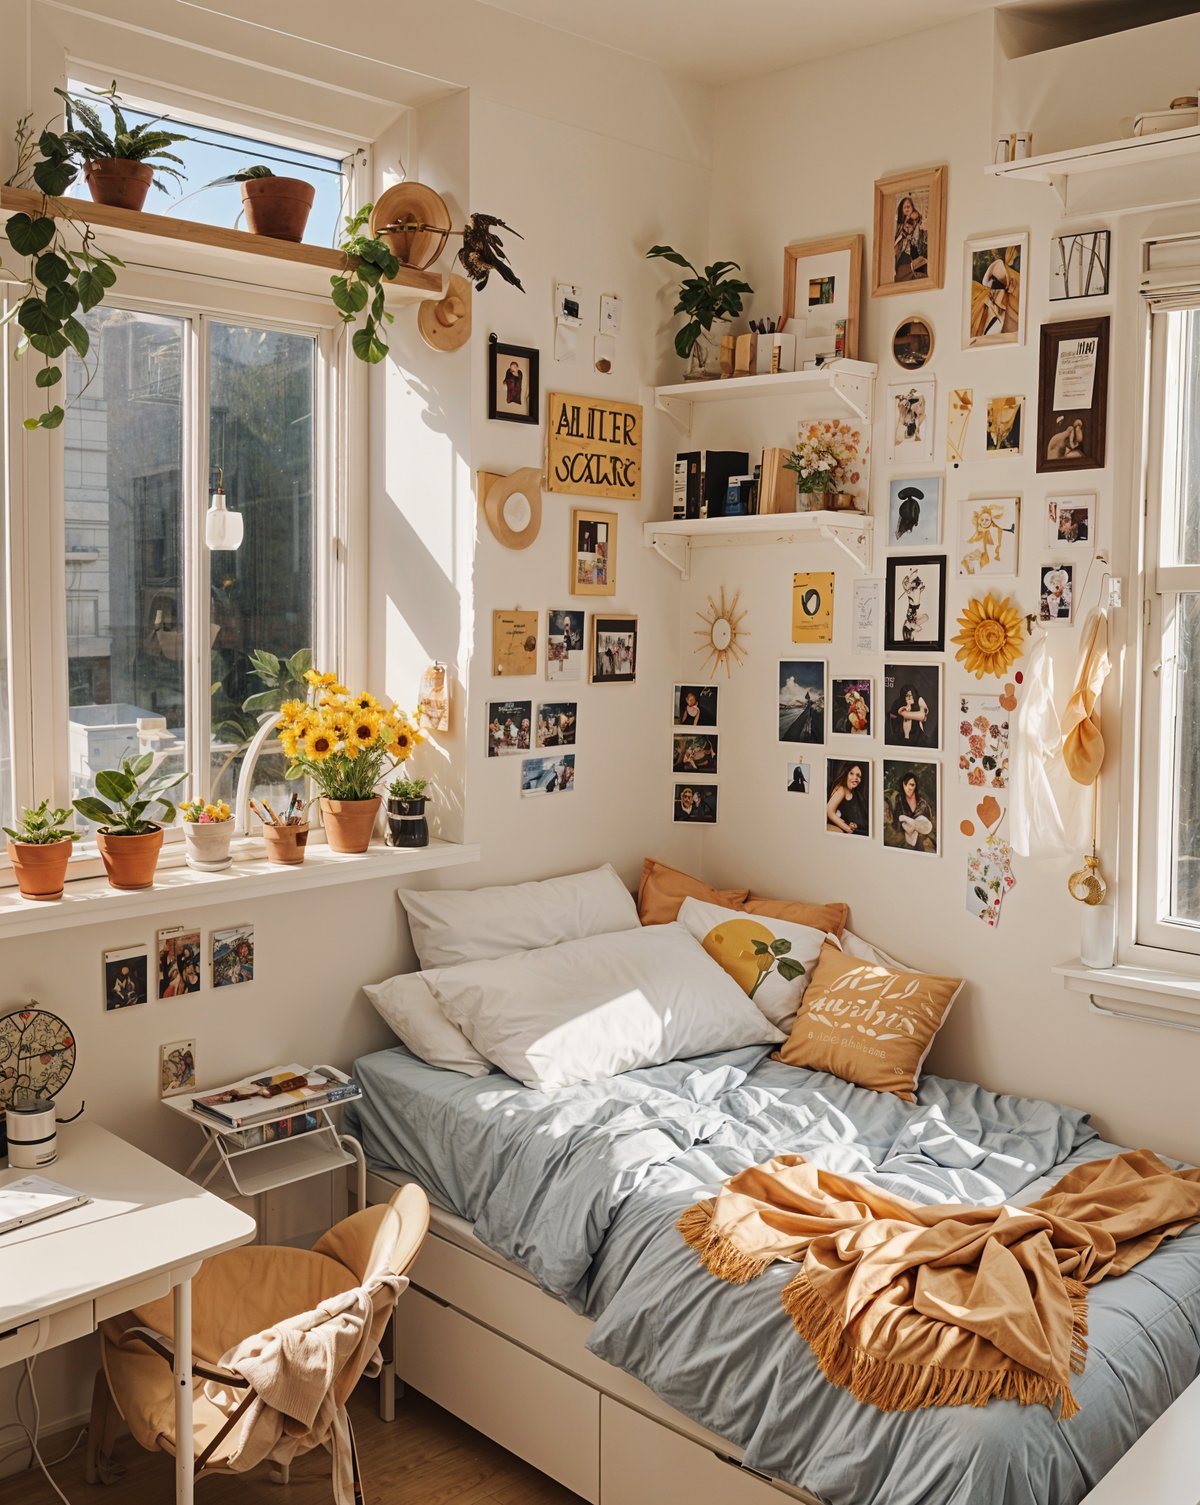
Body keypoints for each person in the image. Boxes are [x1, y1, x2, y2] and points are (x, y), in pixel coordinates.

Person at [885, 770, 936, 852]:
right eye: (905, 784)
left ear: (916, 786)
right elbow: (894, 825)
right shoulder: (898, 801)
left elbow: (929, 825)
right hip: (903, 845)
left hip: (921, 845)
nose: (908, 788)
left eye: (912, 785)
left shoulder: (923, 804)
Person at [893, 194, 928, 283]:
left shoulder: (916, 219)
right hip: (903, 251)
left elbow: (917, 219)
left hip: (913, 249)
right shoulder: (900, 225)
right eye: (904, 207)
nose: (907, 208)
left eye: (909, 206)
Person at [827, 762, 868, 835]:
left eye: (858, 776)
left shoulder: (855, 792)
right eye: (851, 773)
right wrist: (848, 829)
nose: (855, 778)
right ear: (846, 774)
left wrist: (850, 824)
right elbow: (829, 812)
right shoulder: (842, 789)